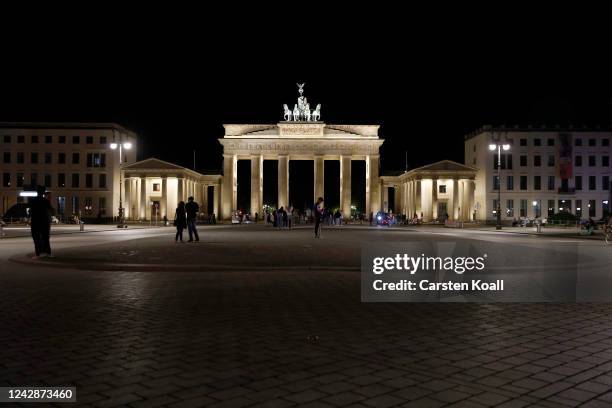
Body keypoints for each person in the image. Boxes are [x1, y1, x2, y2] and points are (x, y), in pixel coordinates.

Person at [28, 186, 53, 258]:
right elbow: (51, 211)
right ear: (43, 193)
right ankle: (48, 253)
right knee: (45, 238)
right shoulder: (46, 201)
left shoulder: (33, 200)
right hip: (44, 222)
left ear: (37, 192)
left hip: (35, 222)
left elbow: (30, 211)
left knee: (36, 238)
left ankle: (38, 253)